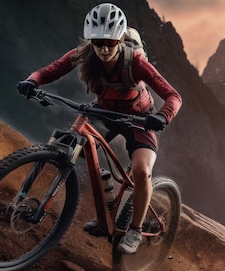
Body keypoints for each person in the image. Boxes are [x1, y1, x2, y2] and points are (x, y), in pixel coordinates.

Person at [16, 3, 182, 254]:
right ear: (91, 41)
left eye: (111, 43)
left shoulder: (135, 61)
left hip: (140, 118)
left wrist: (162, 117)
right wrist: (33, 81)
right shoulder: (86, 53)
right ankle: (25, 198)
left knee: (141, 172)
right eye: (98, 42)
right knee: (69, 146)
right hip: (103, 112)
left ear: (120, 39)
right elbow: (53, 70)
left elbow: (173, 96)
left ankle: (135, 230)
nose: (104, 48)